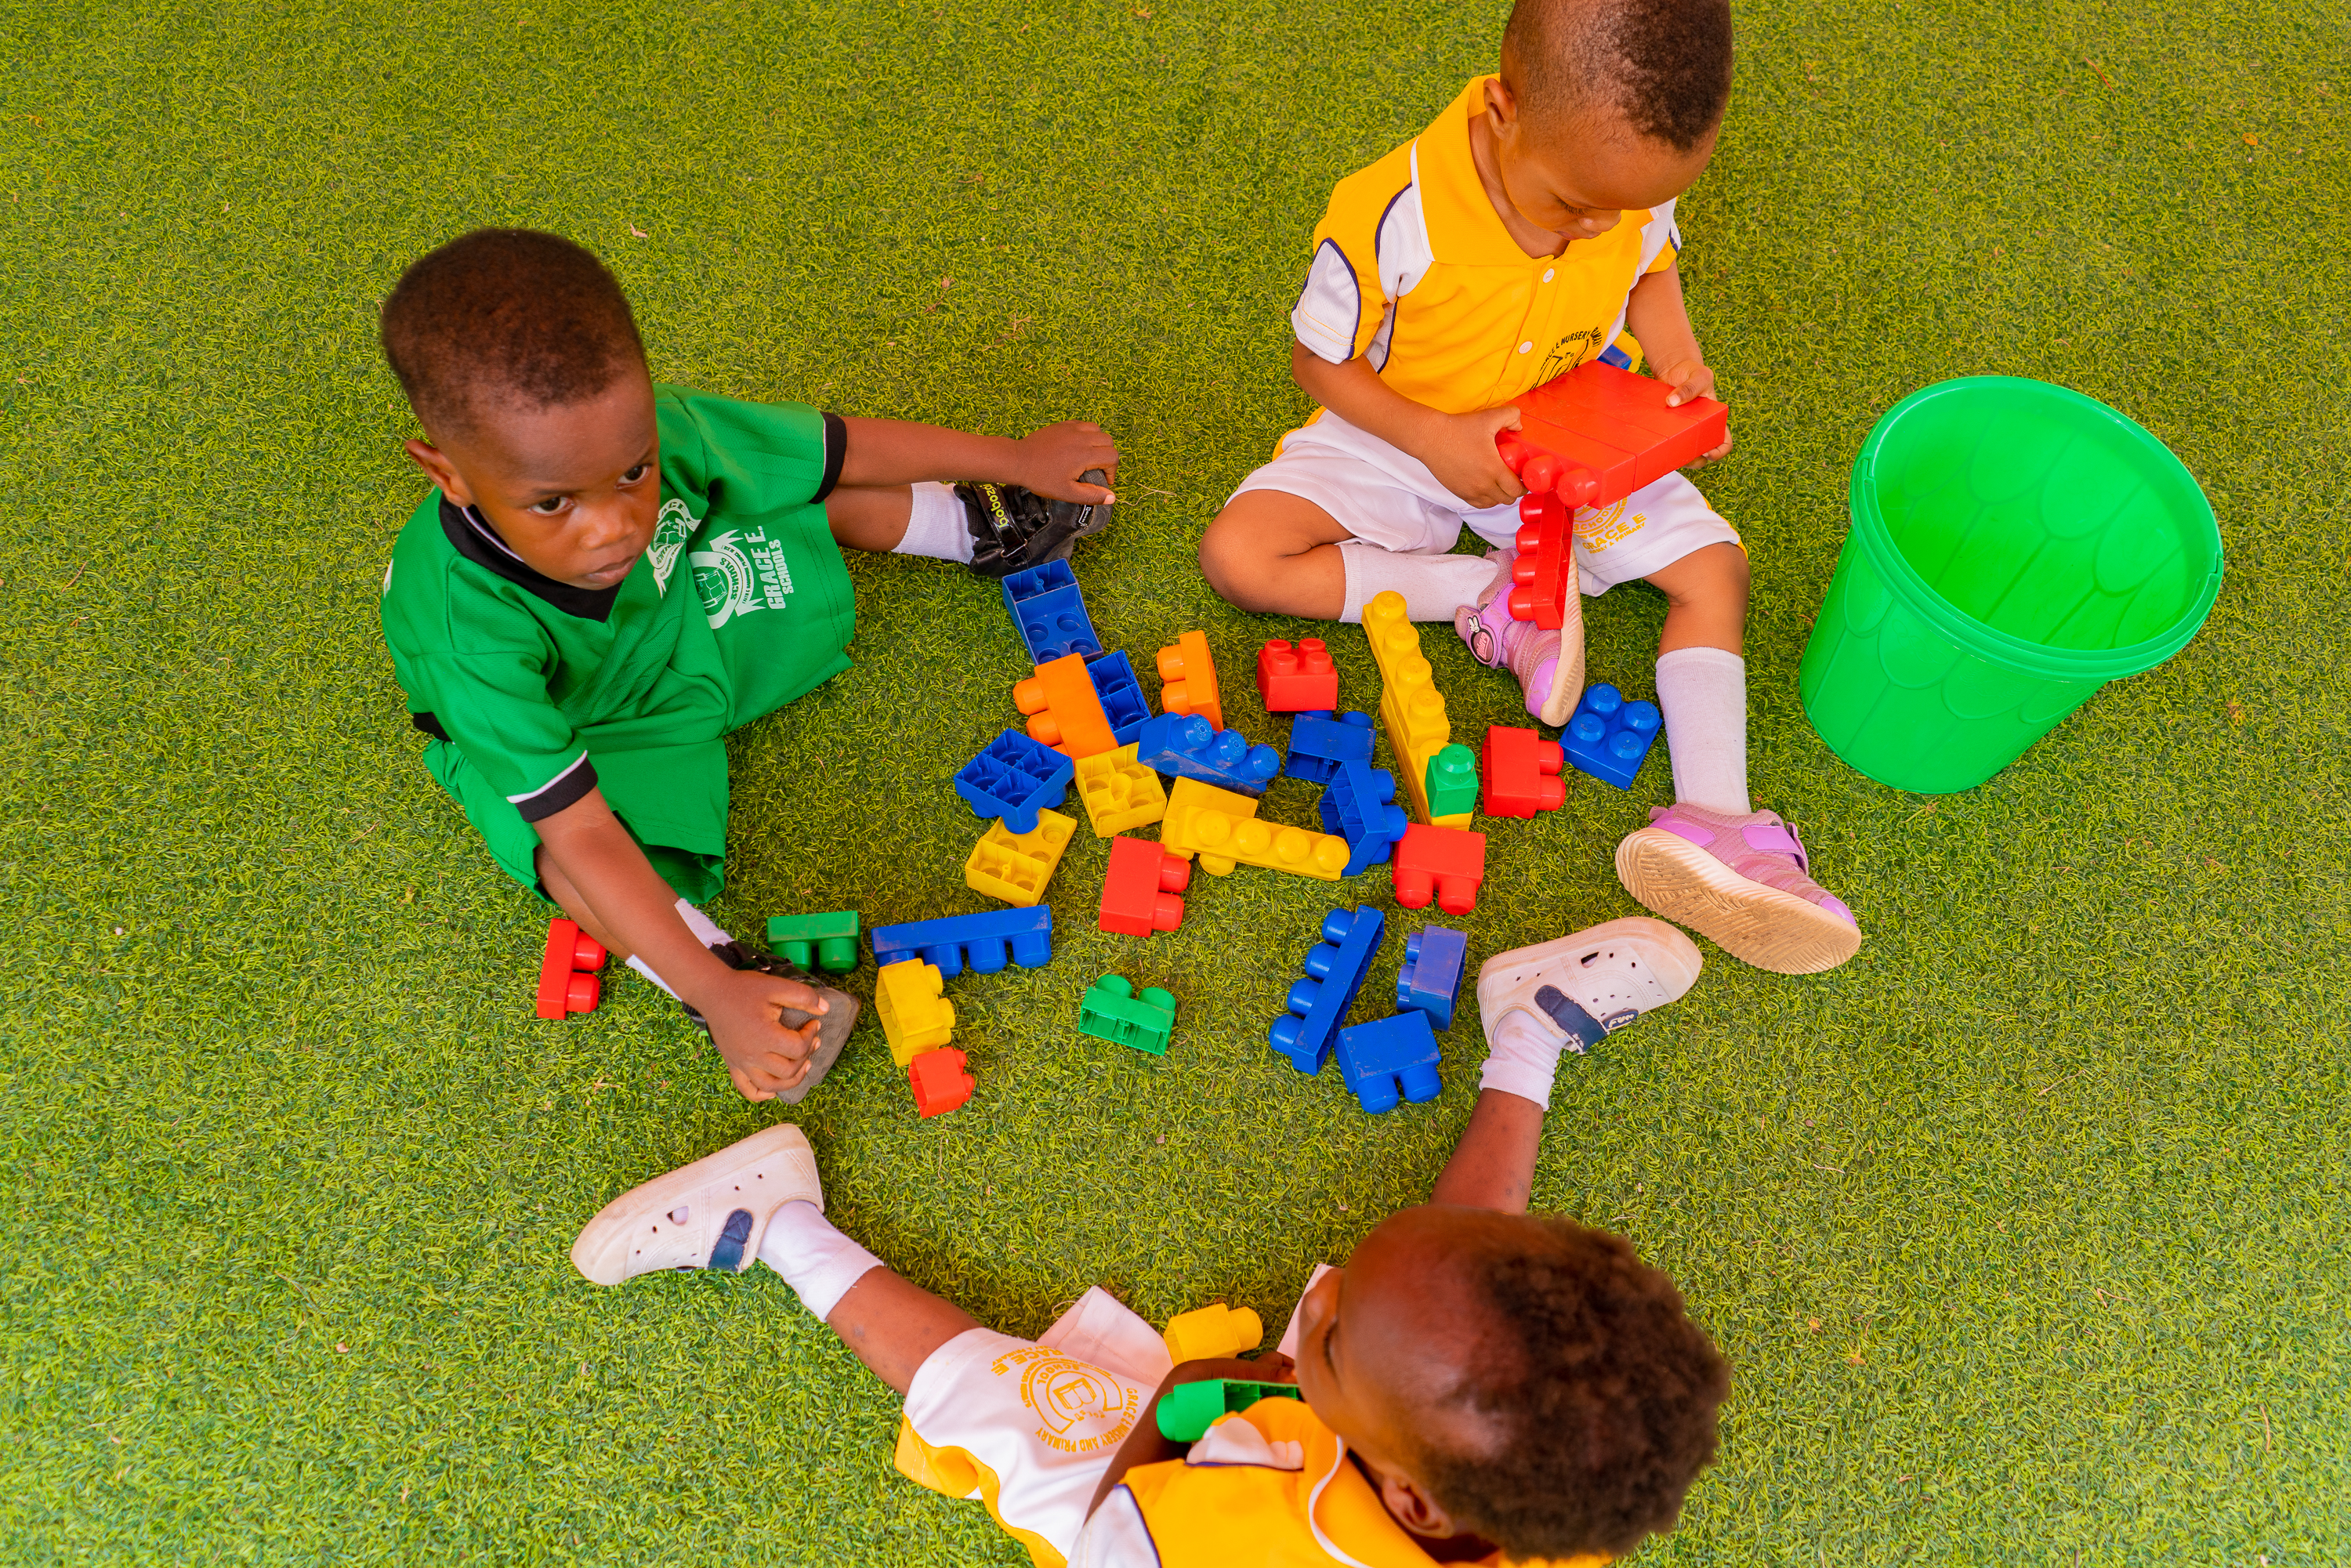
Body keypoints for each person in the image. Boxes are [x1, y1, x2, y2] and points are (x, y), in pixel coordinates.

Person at [570, 918, 1729, 1566]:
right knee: (1471, 1274)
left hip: (1189, 1477)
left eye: (1322, 1335)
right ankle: (1527, 1030)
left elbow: (1107, 1532)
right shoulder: (1548, 1486)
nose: (1310, 1302)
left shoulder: (1202, 1548)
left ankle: (776, 1221)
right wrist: (1320, 1370)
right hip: (1361, 1425)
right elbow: (1434, 1309)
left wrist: (1176, 1420)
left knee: (1007, 1411)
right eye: (1345, 1284)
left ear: (1417, 1505)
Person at [377, 228, 1120, 1100]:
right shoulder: (467, 638)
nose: (613, 525)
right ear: (448, 475)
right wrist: (709, 987)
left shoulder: (659, 441)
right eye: (552, 503)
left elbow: (831, 451)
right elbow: (577, 826)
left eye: (633, 472)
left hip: (679, 613)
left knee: (776, 487)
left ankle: (967, 524)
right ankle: (719, 974)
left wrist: (1014, 458)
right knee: (567, 860)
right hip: (590, 726)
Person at [1195, 0, 1859, 976]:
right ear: (1504, 108)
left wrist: (1675, 357)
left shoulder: (1622, 180)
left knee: (1716, 571)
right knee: (1240, 556)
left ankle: (1716, 817)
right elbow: (1317, 363)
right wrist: (1429, 434)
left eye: (1619, 210)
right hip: (1402, 435)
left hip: (1571, 440)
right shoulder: (1393, 214)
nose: (1597, 225)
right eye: (1573, 205)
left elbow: (1651, 268)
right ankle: (1485, 595)